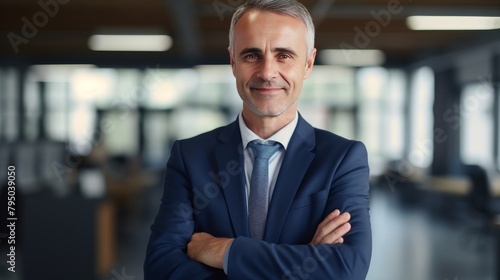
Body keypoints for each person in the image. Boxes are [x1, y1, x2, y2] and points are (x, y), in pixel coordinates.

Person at [144, 0, 372, 279]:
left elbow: (347, 268)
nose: (266, 72)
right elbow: (160, 268)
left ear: (308, 63)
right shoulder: (190, 157)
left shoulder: (342, 159)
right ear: (232, 62)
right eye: (252, 55)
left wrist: (227, 252)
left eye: (284, 55)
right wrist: (304, 262)